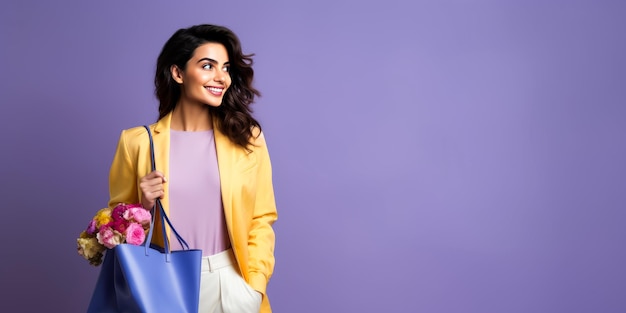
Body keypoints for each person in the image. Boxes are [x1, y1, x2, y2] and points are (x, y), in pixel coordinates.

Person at [107, 24, 277, 313]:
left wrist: (254, 286)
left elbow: (262, 217)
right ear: (178, 73)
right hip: (166, 283)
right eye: (208, 66)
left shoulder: (247, 138)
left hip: (231, 284)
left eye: (225, 68)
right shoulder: (136, 142)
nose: (221, 77)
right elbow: (115, 232)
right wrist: (142, 205)